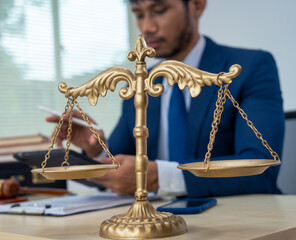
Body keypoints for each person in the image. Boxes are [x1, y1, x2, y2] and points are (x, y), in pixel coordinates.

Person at [46, 0, 284, 198]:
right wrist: (94, 149)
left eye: (160, 11)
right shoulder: (140, 84)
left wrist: (159, 177)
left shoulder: (249, 68)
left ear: (197, 5)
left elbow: (260, 169)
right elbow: (118, 172)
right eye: (139, 14)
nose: (147, 27)